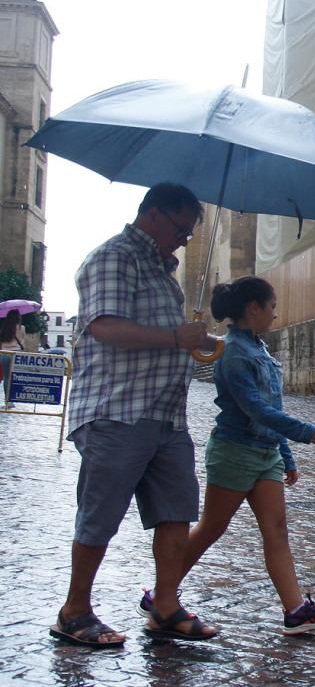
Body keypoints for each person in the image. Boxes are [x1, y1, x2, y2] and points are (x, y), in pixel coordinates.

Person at [51, 183, 221, 648]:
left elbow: (168, 335)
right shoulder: (114, 258)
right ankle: (74, 611)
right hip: (116, 411)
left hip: (166, 416)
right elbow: (104, 326)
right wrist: (175, 338)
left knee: (175, 511)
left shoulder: (163, 272)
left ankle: (165, 606)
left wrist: (201, 342)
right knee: (101, 513)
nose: (185, 240)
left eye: (190, 232)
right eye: (181, 228)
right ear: (152, 215)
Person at [139, 275, 315, 636]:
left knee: (277, 531)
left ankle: (295, 609)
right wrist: (302, 431)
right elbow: (254, 408)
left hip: (265, 454)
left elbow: (272, 405)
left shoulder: (259, 349)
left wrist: (286, 455)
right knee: (211, 529)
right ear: (254, 308)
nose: (276, 314)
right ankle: (161, 595)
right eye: (272, 306)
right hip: (234, 452)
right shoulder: (231, 352)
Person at [0, 308, 25, 409]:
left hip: (4, 354)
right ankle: (13, 399)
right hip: (16, 354)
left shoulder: (3, 328)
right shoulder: (21, 328)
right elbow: (23, 342)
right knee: (15, 378)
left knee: (6, 378)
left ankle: (7, 401)